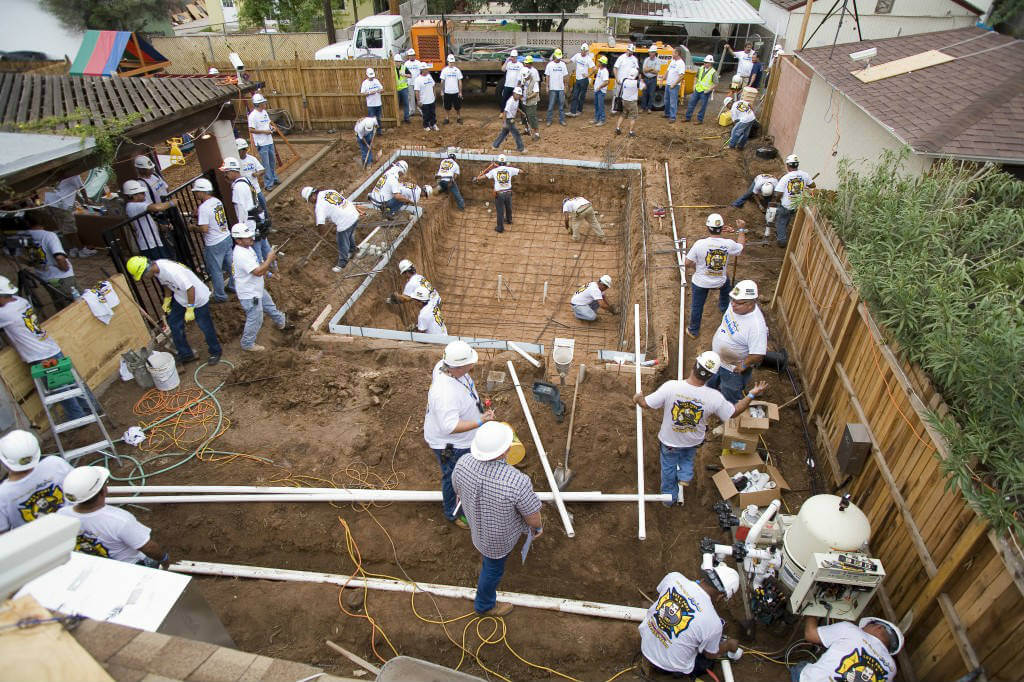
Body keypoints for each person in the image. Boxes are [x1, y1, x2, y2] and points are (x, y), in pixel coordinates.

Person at [635, 351, 767, 506]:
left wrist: (638, 398)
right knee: (687, 457)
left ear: (693, 366)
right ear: (711, 376)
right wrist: (751, 395)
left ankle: (669, 498)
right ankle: (685, 475)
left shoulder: (671, 387)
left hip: (670, 441)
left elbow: (645, 404)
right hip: (693, 441)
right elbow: (734, 412)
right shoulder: (714, 397)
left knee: (668, 468)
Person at [453, 421, 542, 617]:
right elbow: (532, 516)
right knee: (492, 570)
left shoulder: (463, 463)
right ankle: (484, 605)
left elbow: (457, 490)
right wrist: (537, 529)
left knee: (487, 557)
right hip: (497, 541)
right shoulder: (517, 481)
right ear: (506, 451)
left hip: (476, 525)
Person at [0, 277, 93, 420]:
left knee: (60, 389)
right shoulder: (21, 301)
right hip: (51, 348)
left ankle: (77, 417)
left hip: (39, 356)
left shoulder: (4, 314)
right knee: (73, 382)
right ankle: (91, 408)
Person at [424, 340, 494, 528]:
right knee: (452, 477)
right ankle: (453, 513)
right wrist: (480, 421)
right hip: (451, 445)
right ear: (458, 366)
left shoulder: (444, 366)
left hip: (462, 439)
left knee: (463, 473)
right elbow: (450, 426)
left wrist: (478, 408)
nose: (473, 364)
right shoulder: (445, 393)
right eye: (470, 363)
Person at [638, 566, 742, 678]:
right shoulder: (713, 623)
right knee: (706, 662)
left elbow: (662, 595)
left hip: (645, 644)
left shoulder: (674, 577)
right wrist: (728, 646)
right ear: (721, 596)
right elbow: (710, 655)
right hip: (671, 667)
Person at [59, 466, 169, 568]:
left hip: (94, 565)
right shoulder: (119, 520)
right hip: (131, 567)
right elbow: (149, 548)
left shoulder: (62, 514)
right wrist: (164, 559)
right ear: (103, 491)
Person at [125, 256, 222, 365]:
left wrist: (190, 308)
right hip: (181, 297)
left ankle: (215, 351)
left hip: (197, 298)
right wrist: (167, 299)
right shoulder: (157, 269)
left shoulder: (172, 271)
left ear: (147, 269)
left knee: (205, 326)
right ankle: (186, 354)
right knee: (174, 323)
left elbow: (191, 288)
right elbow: (166, 284)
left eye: (142, 275)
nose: (144, 278)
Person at [231, 222, 291, 352]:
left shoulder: (248, 248)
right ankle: (247, 343)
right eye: (247, 237)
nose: (251, 239)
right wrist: (269, 259)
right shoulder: (241, 254)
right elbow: (257, 272)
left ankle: (282, 323)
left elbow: (258, 266)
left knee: (269, 305)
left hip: (256, 288)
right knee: (255, 318)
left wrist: (269, 274)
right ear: (238, 240)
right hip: (249, 293)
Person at [685, 214, 746, 338]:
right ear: (722, 228)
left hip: (701, 282)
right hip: (720, 281)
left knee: (697, 306)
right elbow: (740, 248)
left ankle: (693, 331)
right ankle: (724, 309)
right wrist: (741, 230)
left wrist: (696, 267)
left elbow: (687, 263)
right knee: (726, 282)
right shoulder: (728, 244)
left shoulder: (699, 244)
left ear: (708, 227)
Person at [0, 429, 72, 533]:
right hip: (77, 531)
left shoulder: (3, 494)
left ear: (3, 461)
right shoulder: (55, 464)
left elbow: (3, 534)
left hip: (41, 546)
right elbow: (82, 491)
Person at [707, 279, 767, 402]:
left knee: (730, 390)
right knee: (710, 379)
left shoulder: (756, 326)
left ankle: (730, 412)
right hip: (716, 358)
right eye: (732, 300)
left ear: (750, 303)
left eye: (738, 302)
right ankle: (710, 395)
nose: (733, 304)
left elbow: (758, 355)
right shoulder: (735, 305)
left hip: (732, 368)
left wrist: (743, 365)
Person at [792, 616, 901, 681]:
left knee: (801, 666)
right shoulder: (891, 668)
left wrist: (811, 612)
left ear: (879, 627)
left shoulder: (852, 630)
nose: (862, 628)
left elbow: (810, 635)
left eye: (867, 625)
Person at [17, 220, 80, 310]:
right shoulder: (48, 235)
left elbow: (15, 255)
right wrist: (65, 268)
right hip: (62, 277)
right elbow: (59, 257)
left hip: (45, 277)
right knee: (76, 305)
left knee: (60, 306)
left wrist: (31, 263)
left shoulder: (20, 236)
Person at [302, 186, 365, 272]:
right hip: (354, 214)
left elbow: (320, 224)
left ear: (312, 196)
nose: (311, 202)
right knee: (348, 234)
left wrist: (322, 235)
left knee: (342, 240)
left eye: (310, 200)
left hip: (345, 220)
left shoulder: (319, 206)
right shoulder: (329, 191)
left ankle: (342, 263)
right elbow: (334, 206)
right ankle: (353, 250)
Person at [190, 178, 233, 303]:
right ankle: (234, 286)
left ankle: (220, 295)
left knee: (216, 271)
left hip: (214, 243)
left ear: (202, 192)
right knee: (232, 266)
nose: (196, 194)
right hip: (226, 236)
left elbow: (204, 228)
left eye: (197, 192)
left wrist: (193, 227)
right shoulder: (216, 201)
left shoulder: (204, 208)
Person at [223, 157, 272, 264]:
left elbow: (241, 210)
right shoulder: (245, 180)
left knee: (256, 254)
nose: (225, 176)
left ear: (233, 171)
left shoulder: (238, 187)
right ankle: (274, 268)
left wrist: (242, 230)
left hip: (251, 223)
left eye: (226, 172)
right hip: (258, 218)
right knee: (265, 247)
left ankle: (262, 274)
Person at [45, 173, 94, 257]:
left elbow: (72, 190)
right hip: (61, 204)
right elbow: (81, 188)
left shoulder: (65, 176)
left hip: (52, 203)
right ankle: (82, 251)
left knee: (64, 228)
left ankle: (73, 249)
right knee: (71, 229)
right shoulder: (74, 175)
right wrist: (86, 199)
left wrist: (82, 201)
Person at [122, 179, 172, 261]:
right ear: (133, 196)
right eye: (141, 193)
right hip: (149, 244)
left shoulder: (137, 206)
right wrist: (171, 203)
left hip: (153, 242)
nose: (144, 195)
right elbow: (156, 207)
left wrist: (163, 227)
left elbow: (148, 222)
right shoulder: (134, 206)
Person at [474, 155, 524, 234]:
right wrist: (509, 169)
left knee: (500, 211)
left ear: (498, 162)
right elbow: (521, 171)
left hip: (499, 194)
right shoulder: (510, 169)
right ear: (505, 162)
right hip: (508, 192)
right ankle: (509, 220)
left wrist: (477, 178)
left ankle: (500, 228)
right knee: (508, 207)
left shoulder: (494, 170)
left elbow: (485, 176)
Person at [775, 155, 814, 248]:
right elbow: (813, 185)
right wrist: (804, 187)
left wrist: (777, 200)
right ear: (797, 165)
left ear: (788, 165)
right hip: (797, 205)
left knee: (781, 222)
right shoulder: (805, 175)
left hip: (786, 205)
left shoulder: (786, 178)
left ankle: (782, 241)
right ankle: (784, 233)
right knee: (787, 219)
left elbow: (778, 194)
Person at [247, 93, 279, 189]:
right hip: (261, 143)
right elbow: (251, 130)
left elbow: (268, 123)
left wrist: (271, 127)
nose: (265, 104)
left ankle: (274, 178)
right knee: (266, 164)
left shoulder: (264, 112)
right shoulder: (252, 116)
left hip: (269, 141)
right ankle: (268, 184)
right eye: (263, 102)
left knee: (272, 162)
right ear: (258, 104)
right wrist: (264, 132)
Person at [236, 138, 269, 217]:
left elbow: (262, 170)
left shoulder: (252, 159)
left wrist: (257, 174)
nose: (240, 152)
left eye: (241, 150)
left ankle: (267, 224)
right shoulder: (236, 162)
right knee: (252, 211)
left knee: (263, 207)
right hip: (245, 192)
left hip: (256, 189)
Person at [684, 55, 718, 124]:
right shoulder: (701, 68)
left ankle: (700, 120)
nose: (704, 64)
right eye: (704, 62)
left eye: (706, 62)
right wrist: (694, 85)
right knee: (691, 103)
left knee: (703, 106)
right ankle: (687, 117)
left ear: (710, 63)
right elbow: (696, 77)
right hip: (698, 89)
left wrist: (708, 90)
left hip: (705, 92)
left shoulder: (713, 72)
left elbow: (716, 84)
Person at [493, 87, 526, 153]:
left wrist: (522, 112)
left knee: (504, 133)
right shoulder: (510, 101)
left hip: (511, 119)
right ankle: (521, 149)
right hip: (509, 119)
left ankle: (495, 145)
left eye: (519, 95)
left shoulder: (517, 100)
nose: (518, 96)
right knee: (516, 134)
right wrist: (504, 123)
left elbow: (516, 108)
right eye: (517, 94)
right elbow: (505, 112)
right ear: (514, 93)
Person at [614, 68, 644, 137]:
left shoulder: (624, 80)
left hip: (624, 101)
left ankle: (617, 128)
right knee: (633, 117)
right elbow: (644, 87)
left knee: (623, 115)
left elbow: (618, 81)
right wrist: (641, 79)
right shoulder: (637, 82)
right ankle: (631, 132)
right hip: (632, 102)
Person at [568, 43, 594, 117]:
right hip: (578, 79)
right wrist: (560, 59)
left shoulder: (588, 58)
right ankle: (572, 111)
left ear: (587, 51)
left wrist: (588, 75)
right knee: (575, 95)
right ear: (581, 50)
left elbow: (594, 68)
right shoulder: (577, 55)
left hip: (584, 80)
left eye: (585, 51)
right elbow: (569, 61)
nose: (583, 52)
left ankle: (579, 110)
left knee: (581, 96)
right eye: (582, 51)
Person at [545, 49, 569, 126]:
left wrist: (565, 86)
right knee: (551, 106)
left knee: (561, 106)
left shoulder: (563, 65)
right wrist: (547, 86)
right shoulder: (550, 65)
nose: (558, 59)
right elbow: (547, 77)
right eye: (557, 57)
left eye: (559, 57)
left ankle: (562, 120)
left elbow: (565, 76)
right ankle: (549, 120)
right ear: (554, 56)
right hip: (552, 89)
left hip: (561, 88)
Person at [520, 56, 542, 138]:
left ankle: (536, 134)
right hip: (524, 101)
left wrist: (527, 97)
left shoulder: (534, 81)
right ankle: (526, 130)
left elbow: (536, 93)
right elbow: (522, 86)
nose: (525, 78)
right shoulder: (524, 78)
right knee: (524, 116)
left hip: (531, 102)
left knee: (532, 117)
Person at [612, 44, 639, 112]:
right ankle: (614, 109)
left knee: (626, 97)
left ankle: (624, 110)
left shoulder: (634, 59)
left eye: (632, 51)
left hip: (628, 82)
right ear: (627, 50)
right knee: (617, 95)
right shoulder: (621, 57)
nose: (630, 52)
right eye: (630, 51)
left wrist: (633, 79)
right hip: (620, 80)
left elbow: (637, 70)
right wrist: (617, 78)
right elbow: (615, 68)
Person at [663, 48, 686, 122]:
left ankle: (672, 117)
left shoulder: (681, 63)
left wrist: (674, 84)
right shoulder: (673, 61)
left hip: (674, 86)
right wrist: (664, 77)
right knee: (666, 100)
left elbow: (681, 76)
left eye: (673, 53)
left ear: (677, 54)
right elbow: (668, 70)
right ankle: (667, 114)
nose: (672, 54)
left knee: (673, 102)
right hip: (668, 84)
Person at [440, 55, 464, 125]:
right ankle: (447, 118)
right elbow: (442, 81)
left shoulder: (457, 70)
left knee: (458, 106)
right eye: (450, 62)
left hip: (455, 92)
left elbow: (460, 81)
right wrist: (442, 91)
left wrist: (460, 92)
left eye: (453, 62)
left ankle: (459, 117)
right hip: (447, 92)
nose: (451, 63)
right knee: (447, 106)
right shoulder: (444, 70)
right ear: (448, 62)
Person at [360, 67, 385, 134]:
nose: (372, 78)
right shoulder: (365, 83)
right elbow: (362, 93)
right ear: (367, 75)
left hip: (378, 103)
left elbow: (382, 89)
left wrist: (380, 91)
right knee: (371, 120)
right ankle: (371, 132)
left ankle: (379, 132)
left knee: (378, 119)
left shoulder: (376, 81)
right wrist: (369, 93)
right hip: (371, 105)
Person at [640, 47, 660, 112]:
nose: (650, 53)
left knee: (651, 94)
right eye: (650, 52)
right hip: (646, 78)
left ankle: (649, 108)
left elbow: (656, 72)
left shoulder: (657, 61)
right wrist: (652, 69)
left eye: (651, 52)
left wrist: (648, 69)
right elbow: (644, 70)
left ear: (654, 53)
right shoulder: (646, 59)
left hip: (653, 79)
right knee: (644, 93)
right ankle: (643, 107)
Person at [592, 55, 609, 125]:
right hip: (597, 90)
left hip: (601, 91)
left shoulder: (605, 71)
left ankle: (602, 120)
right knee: (596, 105)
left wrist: (599, 87)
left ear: (602, 63)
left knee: (600, 105)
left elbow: (606, 82)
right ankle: (596, 119)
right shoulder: (600, 69)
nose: (598, 62)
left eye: (599, 61)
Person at [394, 53, 411, 124]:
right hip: (395, 89)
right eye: (396, 61)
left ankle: (406, 118)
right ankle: (397, 118)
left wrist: (404, 75)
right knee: (396, 104)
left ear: (401, 62)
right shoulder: (392, 68)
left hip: (404, 88)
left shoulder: (404, 67)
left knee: (406, 103)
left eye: (398, 61)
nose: (397, 63)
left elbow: (410, 75)